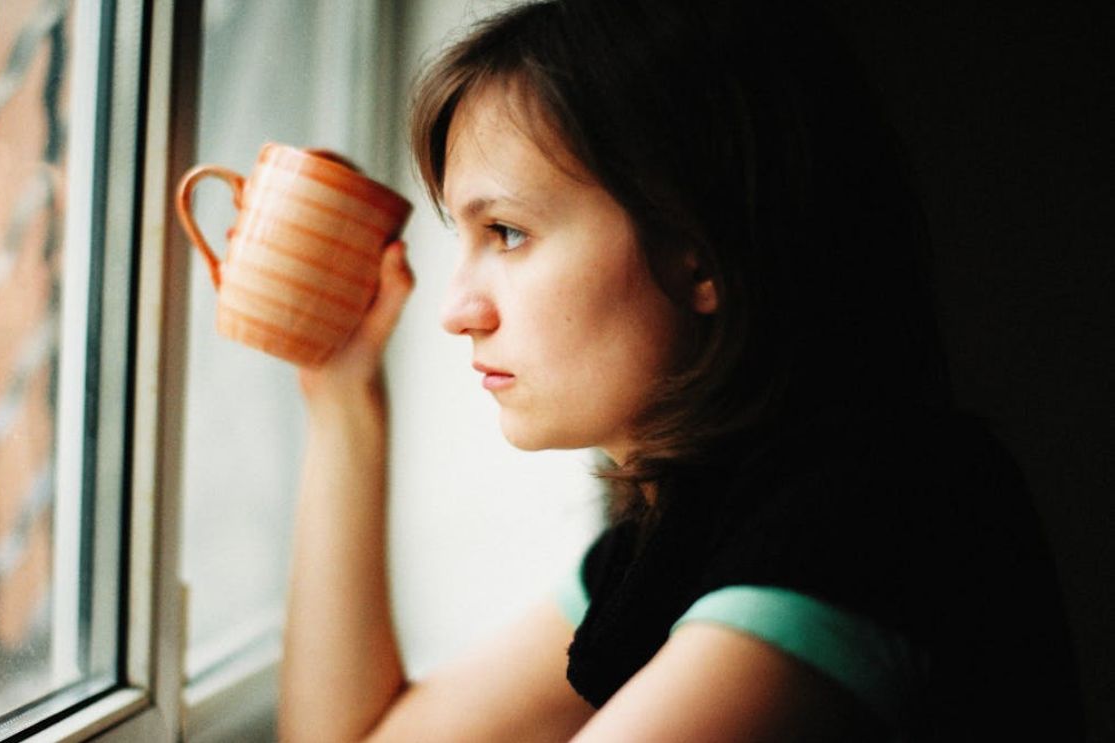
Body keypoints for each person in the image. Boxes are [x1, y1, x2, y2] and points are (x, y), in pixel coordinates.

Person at [278, 0, 1083, 740]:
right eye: (465, 234)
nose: (456, 307)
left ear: (699, 252)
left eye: (509, 232)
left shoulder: (859, 525)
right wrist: (342, 395)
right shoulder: (682, 528)